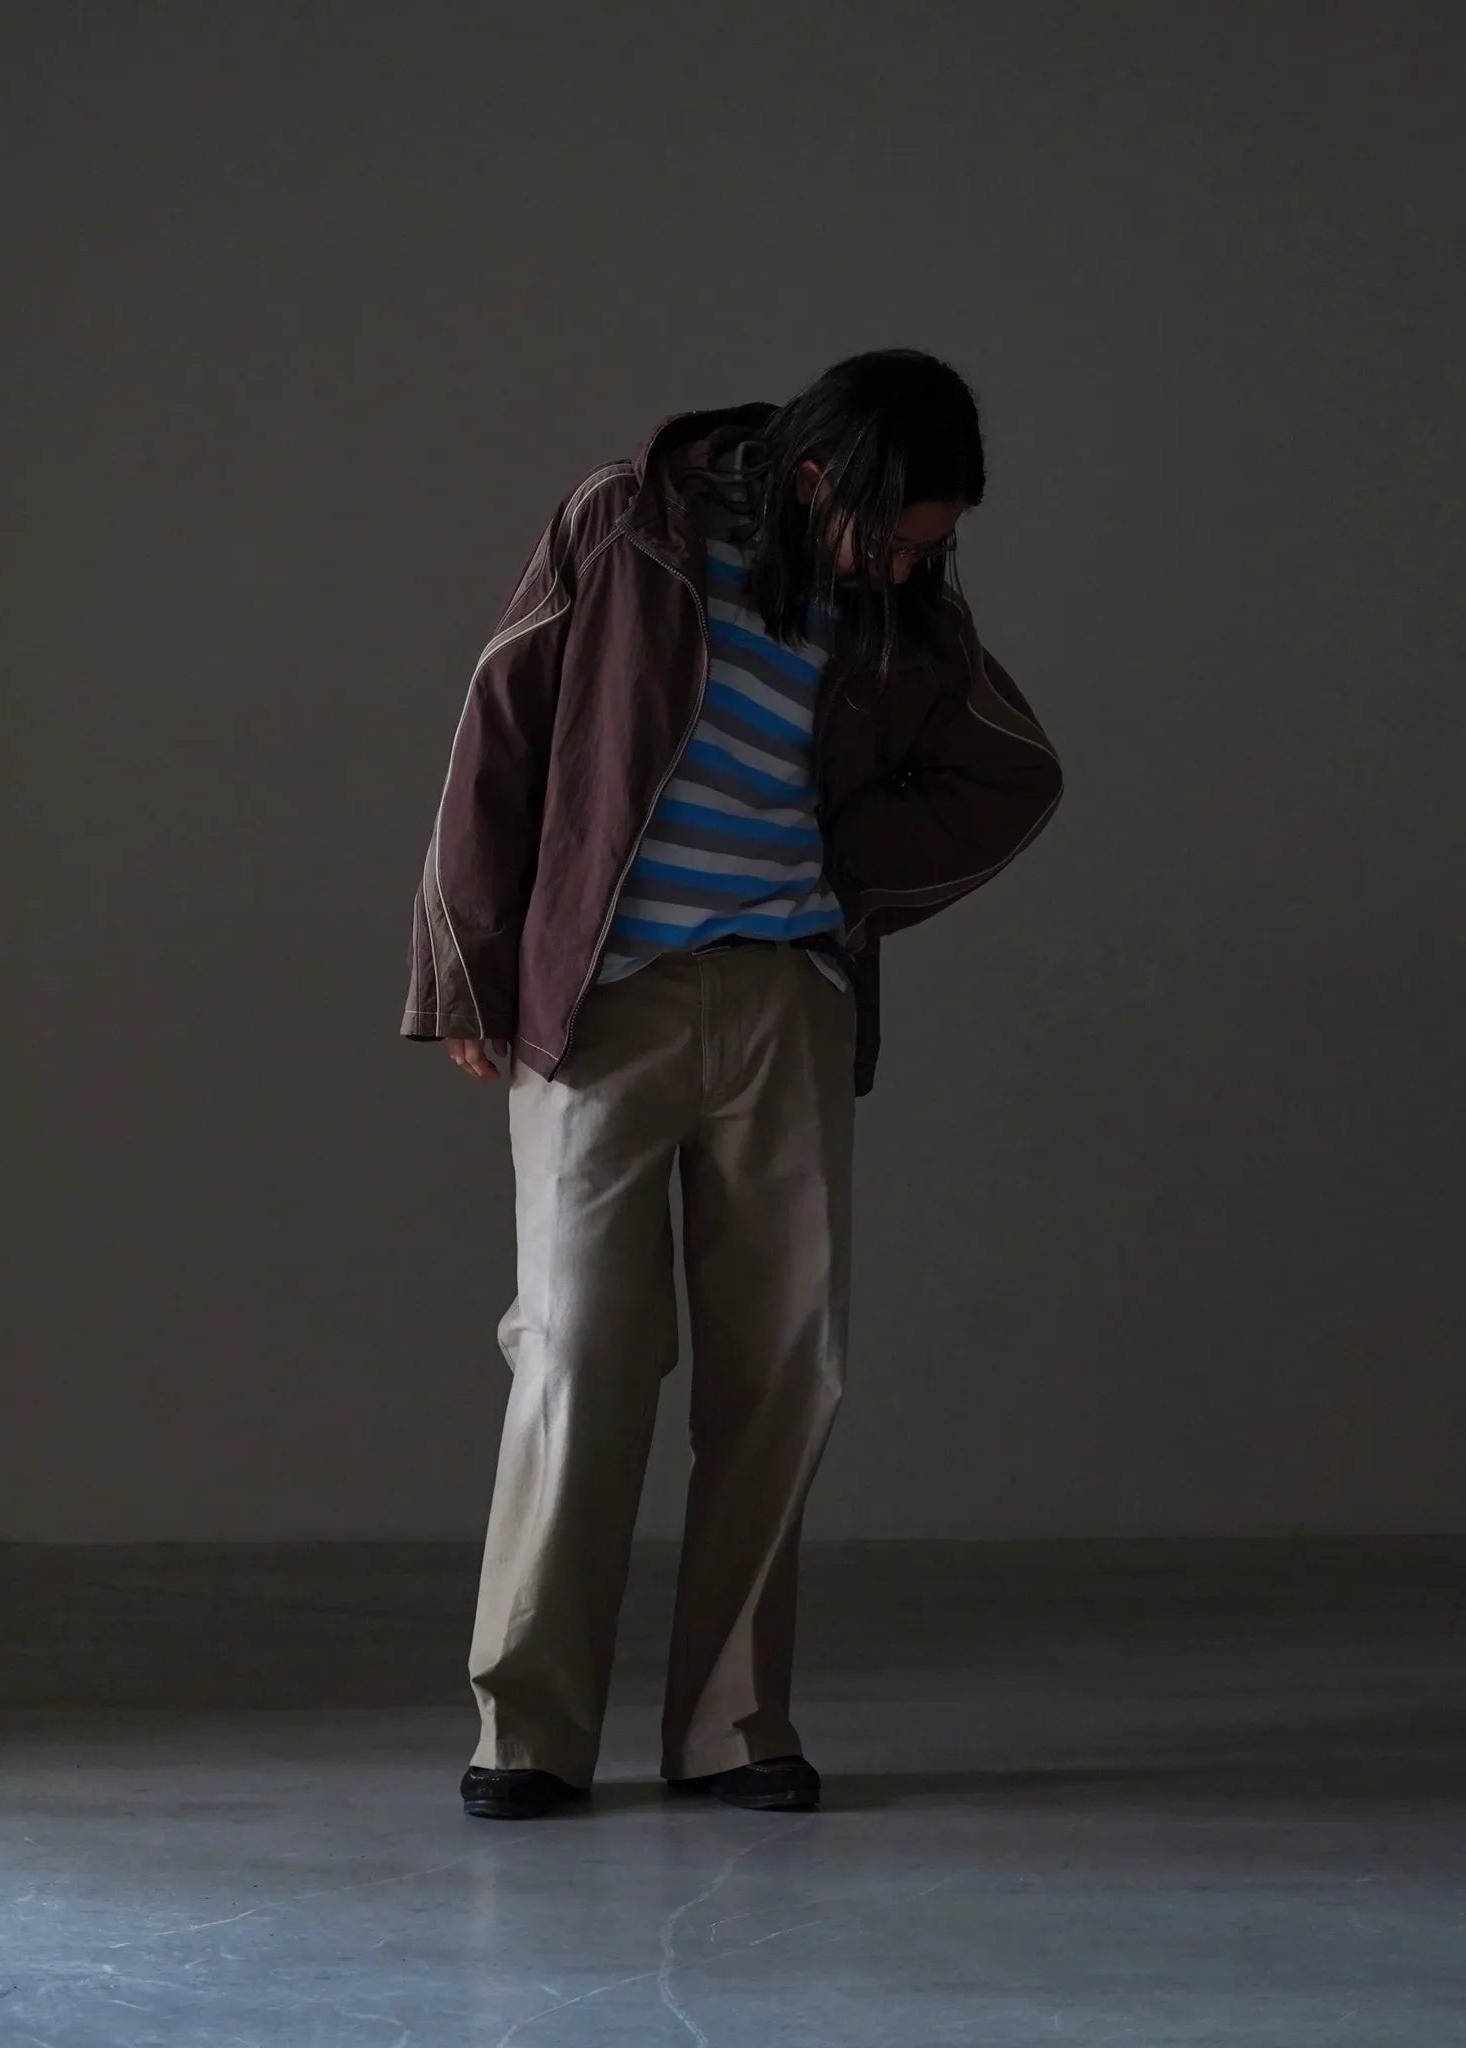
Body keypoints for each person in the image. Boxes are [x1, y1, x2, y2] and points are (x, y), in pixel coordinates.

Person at [400, 349, 1063, 1819]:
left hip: (788, 1002)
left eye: (933, 546)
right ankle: (528, 1733)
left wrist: (840, 875)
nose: (910, 565)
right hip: (606, 1000)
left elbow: (1011, 769)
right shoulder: (625, 523)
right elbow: (501, 724)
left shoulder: (895, 607)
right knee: (578, 1353)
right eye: (896, 536)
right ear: (819, 479)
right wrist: (468, 962)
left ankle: (733, 1727)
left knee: (783, 1369)